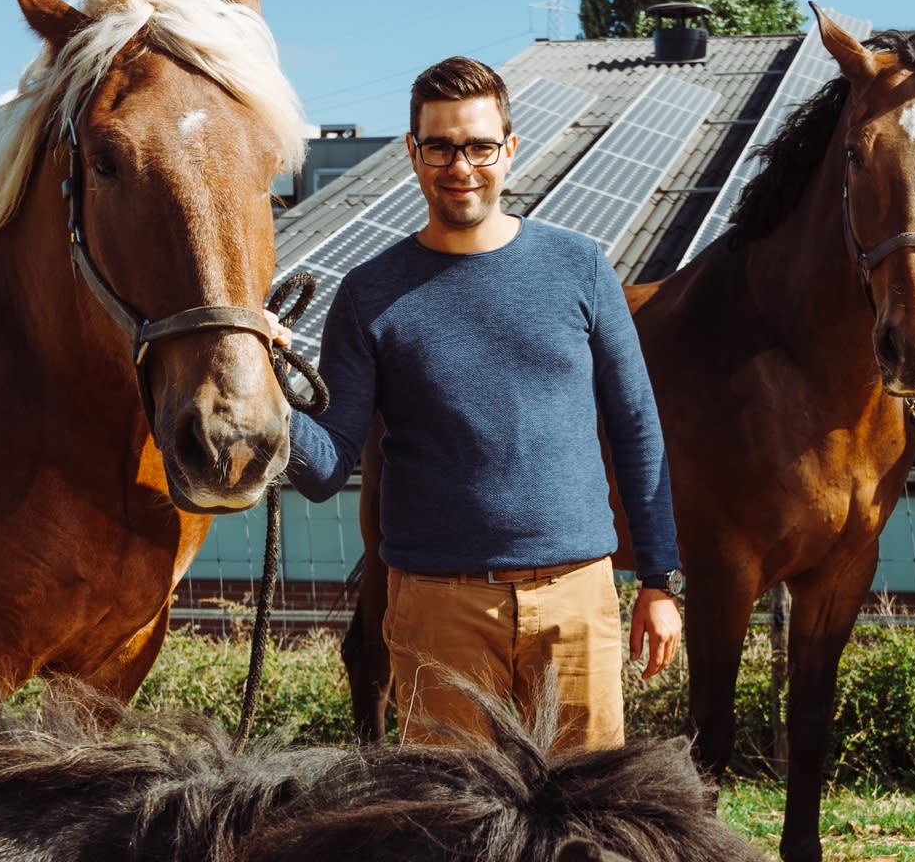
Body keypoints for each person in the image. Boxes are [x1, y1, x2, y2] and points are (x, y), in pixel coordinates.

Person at [279, 56, 682, 752]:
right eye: (439, 147)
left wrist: (659, 580)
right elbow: (322, 470)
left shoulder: (581, 267)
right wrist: (263, 387)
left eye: (478, 146)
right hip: (438, 608)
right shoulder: (369, 293)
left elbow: (636, 427)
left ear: (509, 149)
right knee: (452, 827)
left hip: (577, 600)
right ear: (412, 151)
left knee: (588, 827)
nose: (460, 165)